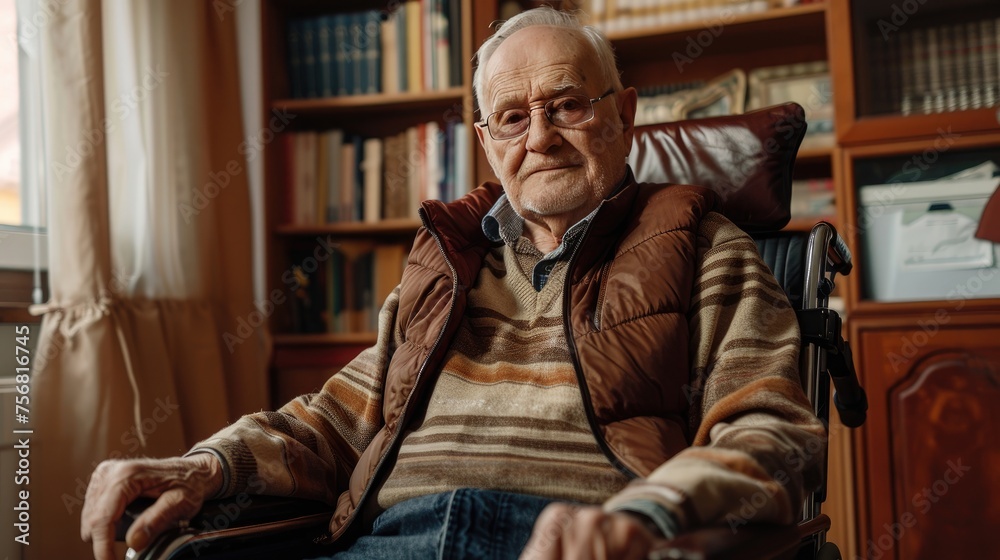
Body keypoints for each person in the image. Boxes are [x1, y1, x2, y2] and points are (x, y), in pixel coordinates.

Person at [81, 7, 826, 560]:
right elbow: (334, 420)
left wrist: (650, 515)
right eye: (511, 117)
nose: (539, 137)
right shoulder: (448, 264)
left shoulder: (705, 248)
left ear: (623, 114)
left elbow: (772, 432)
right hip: (388, 542)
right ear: (486, 142)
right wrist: (207, 465)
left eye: (567, 104)